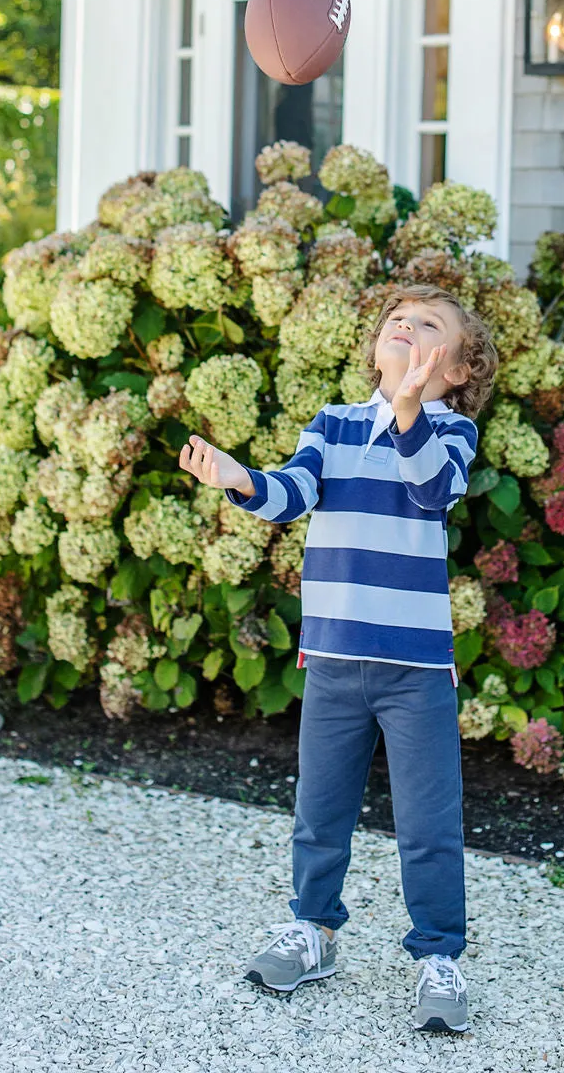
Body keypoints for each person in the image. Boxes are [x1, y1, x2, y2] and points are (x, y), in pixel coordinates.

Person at [178, 282, 498, 1034]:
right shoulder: (334, 424)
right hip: (332, 658)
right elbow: (293, 492)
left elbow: (432, 491)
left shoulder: (450, 433)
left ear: (457, 369)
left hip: (415, 671)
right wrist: (239, 479)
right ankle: (313, 930)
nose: (405, 326)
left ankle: (437, 957)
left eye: (427, 325)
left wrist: (413, 410)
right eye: (396, 320)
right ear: (375, 348)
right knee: (319, 813)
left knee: (428, 823)